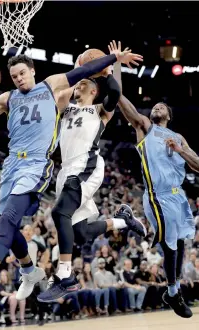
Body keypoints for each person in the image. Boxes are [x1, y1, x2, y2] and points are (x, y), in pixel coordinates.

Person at [0, 49, 141, 302]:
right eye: (13, 75)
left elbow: (84, 75)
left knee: (43, 215)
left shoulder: (57, 92)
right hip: (18, 167)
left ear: (33, 71)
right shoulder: (14, 99)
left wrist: (110, 63)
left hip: (53, 165)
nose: (18, 78)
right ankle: (30, 269)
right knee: (73, 231)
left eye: (22, 73)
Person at [38, 50, 145, 303]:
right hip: (66, 171)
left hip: (87, 166)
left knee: (59, 213)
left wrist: (108, 69)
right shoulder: (66, 108)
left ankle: (65, 276)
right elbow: (61, 90)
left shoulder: (99, 111)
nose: (79, 87)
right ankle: (123, 221)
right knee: (81, 232)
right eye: (78, 84)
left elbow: (115, 95)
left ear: (94, 91)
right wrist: (79, 71)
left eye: (84, 84)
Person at [110, 40, 199, 318]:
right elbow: (119, 99)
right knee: (168, 244)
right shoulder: (145, 128)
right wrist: (114, 63)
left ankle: (172, 291)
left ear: (170, 115)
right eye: (157, 106)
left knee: (181, 243)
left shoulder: (178, 137)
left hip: (178, 196)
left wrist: (183, 150)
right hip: (157, 195)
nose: (159, 107)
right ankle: (173, 293)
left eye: (163, 106)